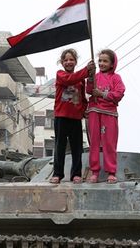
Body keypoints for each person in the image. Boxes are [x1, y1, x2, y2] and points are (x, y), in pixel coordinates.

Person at [50, 48, 95, 184]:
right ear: (62, 62)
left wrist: (84, 110)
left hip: (75, 118)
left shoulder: (81, 80)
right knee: (60, 146)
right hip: (61, 116)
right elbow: (70, 80)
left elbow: (82, 98)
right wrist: (86, 71)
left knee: (77, 148)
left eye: (71, 59)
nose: (69, 62)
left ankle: (76, 174)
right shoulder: (61, 75)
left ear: (75, 62)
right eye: (66, 60)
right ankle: (58, 173)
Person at [86, 49, 125, 183]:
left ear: (112, 63)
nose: (102, 63)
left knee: (109, 142)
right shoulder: (95, 76)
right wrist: (90, 77)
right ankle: (95, 171)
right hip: (94, 111)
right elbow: (88, 90)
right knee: (94, 142)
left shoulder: (116, 78)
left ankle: (111, 171)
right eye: (100, 61)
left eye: (105, 61)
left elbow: (119, 94)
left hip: (109, 113)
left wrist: (102, 94)